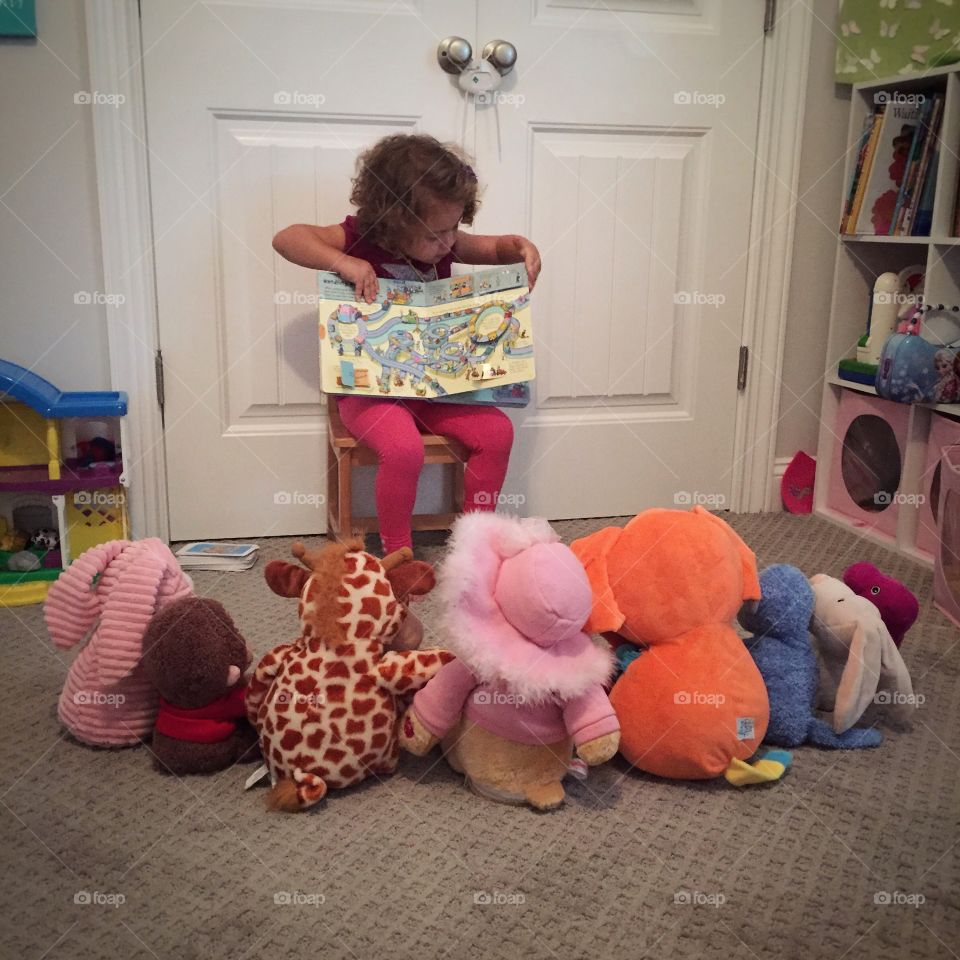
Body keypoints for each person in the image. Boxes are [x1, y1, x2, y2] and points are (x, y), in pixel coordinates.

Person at [273, 133, 541, 553]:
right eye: (436, 234)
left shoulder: (447, 242)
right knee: (403, 450)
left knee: (498, 433)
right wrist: (344, 261)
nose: (449, 242)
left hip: (437, 390)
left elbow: (492, 247)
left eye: (455, 227)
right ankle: (398, 552)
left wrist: (519, 247)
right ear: (393, 221)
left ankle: (476, 541)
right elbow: (287, 238)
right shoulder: (359, 238)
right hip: (371, 393)